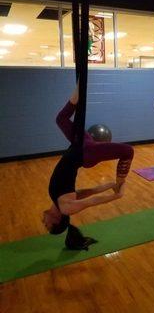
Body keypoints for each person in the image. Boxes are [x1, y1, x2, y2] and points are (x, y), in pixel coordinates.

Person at [43, 84, 134, 248]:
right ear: (57, 221)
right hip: (86, 153)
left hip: (79, 145)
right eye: (47, 225)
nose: (44, 222)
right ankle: (121, 182)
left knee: (61, 119)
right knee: (128, 151)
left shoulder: (58, 202)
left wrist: (108, 186)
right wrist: (116, 194)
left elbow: (84, 193)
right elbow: (92, 201)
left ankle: (80, 86)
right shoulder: (66, 208)